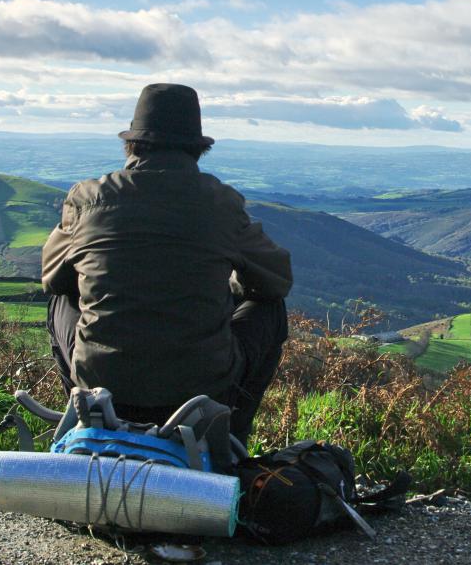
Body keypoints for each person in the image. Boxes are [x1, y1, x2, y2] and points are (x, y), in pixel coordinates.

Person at [42, 83, 292, 443]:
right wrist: (229, 288)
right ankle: (229, 436)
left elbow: (54, 279)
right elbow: (276, 281)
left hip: (104, 383)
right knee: (270, 308)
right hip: (201, 388)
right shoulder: (219, 202)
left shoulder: (87, 199)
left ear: (131, 143)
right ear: (198, 147)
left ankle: (85, 419)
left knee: (58, 302)